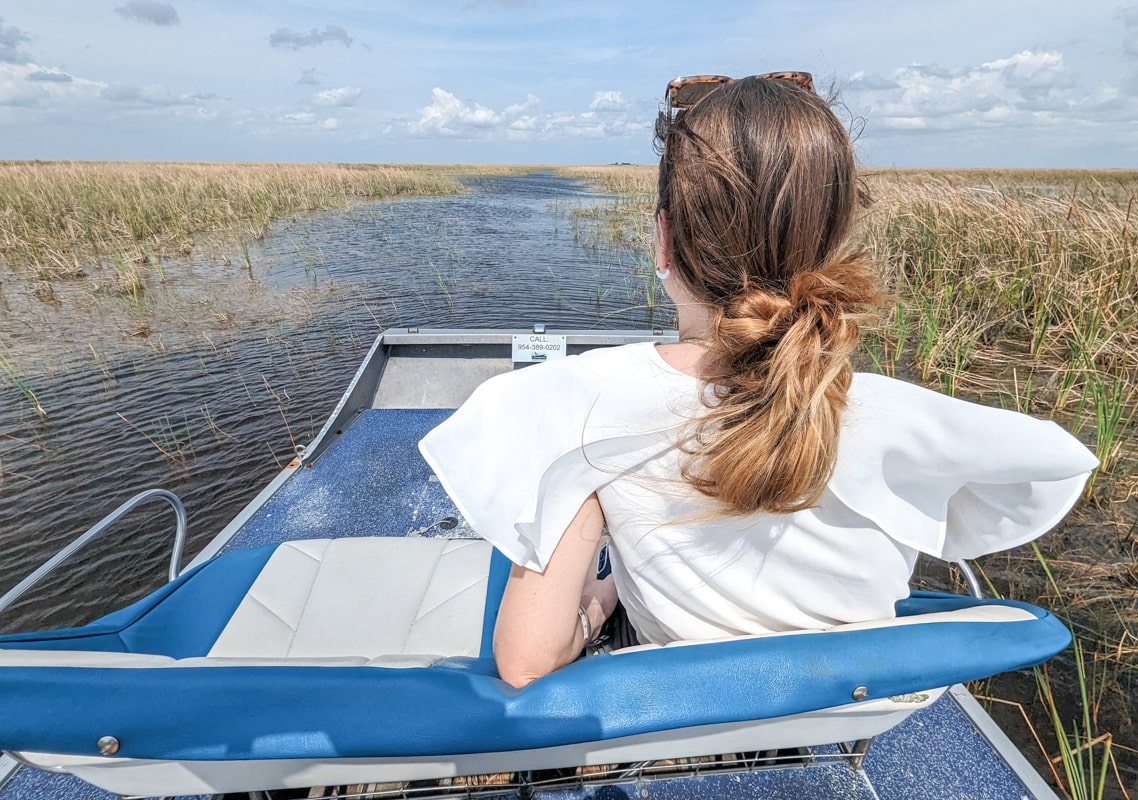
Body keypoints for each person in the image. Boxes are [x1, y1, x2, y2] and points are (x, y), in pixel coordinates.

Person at [419, 72, 1099, 689]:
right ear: (830, 241)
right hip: (848, 713)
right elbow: (1050, 469)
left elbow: (526, 659)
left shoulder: (583, 402)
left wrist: (598, 604)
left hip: (672, 713)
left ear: (664, 239)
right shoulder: (906, 420)